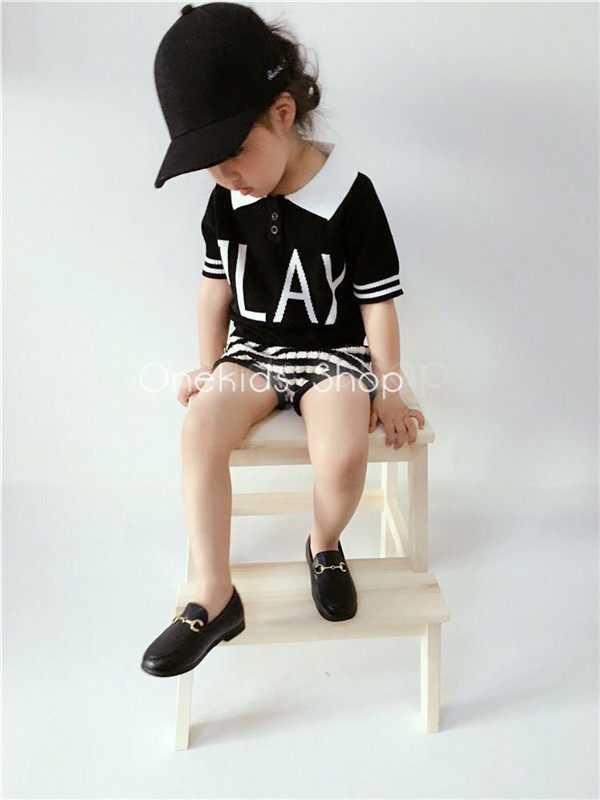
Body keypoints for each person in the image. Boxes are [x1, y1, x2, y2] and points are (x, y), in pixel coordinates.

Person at [141, 1, 425, 678]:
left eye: (231, 155)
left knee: (343, 453)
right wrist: (209, 366)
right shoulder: (227, 200)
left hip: (335, 355)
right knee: (199, 428)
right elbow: (215, 290)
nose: (223, 176)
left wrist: (387, 388)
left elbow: (377, 303)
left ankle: (323, 543)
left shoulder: (351, 197)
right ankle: (214, 594)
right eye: (208, 165)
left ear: (283, 114)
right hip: (253, 354)